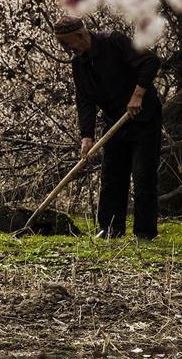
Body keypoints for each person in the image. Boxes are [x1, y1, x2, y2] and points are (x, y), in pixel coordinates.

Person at [54, 16, 162, 240]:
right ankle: (111, 229)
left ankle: (144, 232)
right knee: (112, 175)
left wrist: (137, 95)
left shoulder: (114, 41)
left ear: (81, 35)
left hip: (144, 117)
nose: (65, 49)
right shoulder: (78, 63)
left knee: (143, 174)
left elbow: (151, 61)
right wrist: (86, 136)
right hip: (114, 120)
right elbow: (84, 99)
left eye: (66, 43)